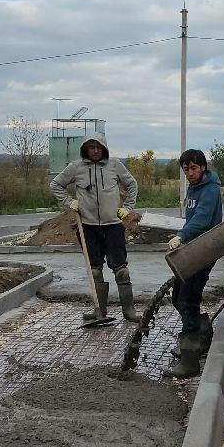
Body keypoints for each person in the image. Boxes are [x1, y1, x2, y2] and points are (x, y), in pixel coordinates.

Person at [49, 137, 139, 323]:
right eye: (91, 147)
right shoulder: (76, 167)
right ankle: (100, 311)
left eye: (98, 147)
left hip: (113, 225)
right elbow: (55, 185)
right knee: (95, 272)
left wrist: (127, 208)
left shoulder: (115, 165)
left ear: (104, 148)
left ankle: (129, 311)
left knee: (121, 271)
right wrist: (69, 201)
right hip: (88, 227)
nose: (95, 150)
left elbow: (132, 184)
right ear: (85, 149)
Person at [165, 147, 223, 378]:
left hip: (204, 251)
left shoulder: (210, 190)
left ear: (203, 167)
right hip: (193, 249)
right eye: (186, 169)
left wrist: (182, 235)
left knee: (188, 300)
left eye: (194, 168)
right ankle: (202, 336)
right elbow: (192, 217)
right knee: (178, 296)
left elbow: (201, 219)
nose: (190, 173)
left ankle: (190, 360)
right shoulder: (195, 187)